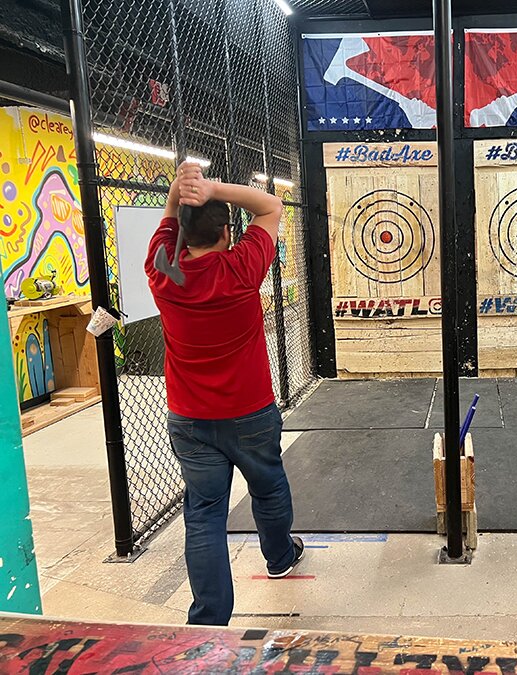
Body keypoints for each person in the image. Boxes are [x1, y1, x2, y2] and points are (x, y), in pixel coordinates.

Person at [145, 161, 304, 626]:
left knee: (204, 513)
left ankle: (209, 620)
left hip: (190, 420)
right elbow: (271, 206)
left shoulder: (162, 271)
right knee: (268, 486)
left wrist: (180, 192)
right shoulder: (239, 267)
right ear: (226, 232)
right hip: (250, 413)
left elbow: (170, 224)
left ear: (181, 232)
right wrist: (209, 187)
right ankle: (279, 557)